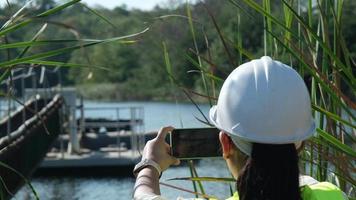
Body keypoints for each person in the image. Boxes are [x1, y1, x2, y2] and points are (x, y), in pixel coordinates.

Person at [132, 56, 346, 200]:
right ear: (300, 145)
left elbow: (144, 195)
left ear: (225, 143)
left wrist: (149, 165)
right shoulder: (332, 195)